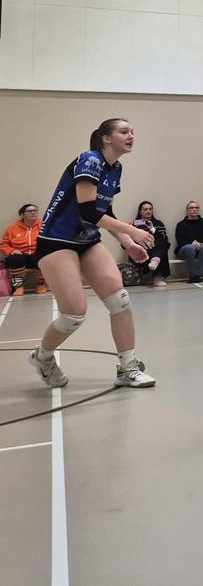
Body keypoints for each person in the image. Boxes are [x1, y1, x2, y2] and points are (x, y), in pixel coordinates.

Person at [28, 119, 156, 389]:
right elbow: (88, 211)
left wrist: (127, 243)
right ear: (106, 138)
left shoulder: (115, 168)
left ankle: (127, 368)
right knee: (74, 314)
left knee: (120, 301)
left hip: (87, 240)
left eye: (133, 132)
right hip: (56, 240)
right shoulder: (90, 160)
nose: (131, 136)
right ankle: (43, 357)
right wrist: (133, 231)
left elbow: (104, 211)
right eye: (124, 132)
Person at [1, 203, 44, 294]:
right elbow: (3, 244)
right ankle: (19, 287)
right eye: (29, 211)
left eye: (35, 210)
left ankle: (41, 284)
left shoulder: (43, 226)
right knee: (13, 259)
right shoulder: (12, 228)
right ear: (22, 214)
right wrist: (12, 251)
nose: (33, 212)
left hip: (36, 254)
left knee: (43, 257)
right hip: (20, 255)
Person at [131, 201, 170, 288]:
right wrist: (133, 230)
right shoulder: (134, 224)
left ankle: (158, 275)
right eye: (145, 209)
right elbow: (125, 244)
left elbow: (163, 240)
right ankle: (155, 260)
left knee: (162, 243)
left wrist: (152, 229)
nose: (148, 211)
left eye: (150, 209)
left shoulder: (158, 224)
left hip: (156, 249)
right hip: (141, 250)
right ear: (140, 211)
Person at [174, 200, 203, 283]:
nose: (194, 209)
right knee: (190, 248)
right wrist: (192, 243)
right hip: (184, 250)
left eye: (196, 207)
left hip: (201, 249)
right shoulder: (181, 224)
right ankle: (192, 276)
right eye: (191, 208)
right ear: (187, 210)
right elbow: (180, 240)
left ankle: (197, 275)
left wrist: (199, 243)